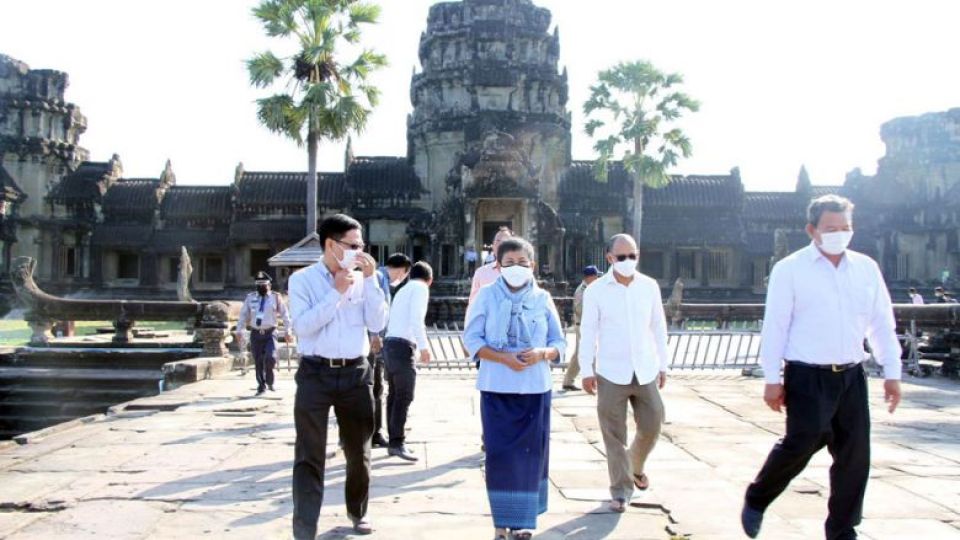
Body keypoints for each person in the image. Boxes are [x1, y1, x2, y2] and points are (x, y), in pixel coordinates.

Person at [741, 195, 903, 540]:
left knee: (854, 456)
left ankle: (843, 530)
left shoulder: (865, 268)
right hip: (807, 374)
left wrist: (892, 372)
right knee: (801, 443)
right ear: (812, 230)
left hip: (851, 374)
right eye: (831, 228)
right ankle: (758, 497)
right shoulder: (791, 269)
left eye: (846, 228)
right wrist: (772, 378)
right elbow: (776, 327)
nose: (839, 234)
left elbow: (880, 323)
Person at [288, 214, 388, 539]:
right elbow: (303, 327)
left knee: (359, 450)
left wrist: (371, 281)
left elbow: (377, 321)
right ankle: (305, 527)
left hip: (355, 372)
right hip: (315, 372)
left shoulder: (363, 280)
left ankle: (358, 511)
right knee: (309, 453)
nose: (361, 252)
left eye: (362, 246)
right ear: (331, 245)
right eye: (354, 245)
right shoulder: (302, 280)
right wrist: (335, 292)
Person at [463, 237, 566, 540]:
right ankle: (501, 523)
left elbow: (560, 343)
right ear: (498, 266)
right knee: (500, 455)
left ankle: (522, 522)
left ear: (533, 265)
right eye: (509, 263)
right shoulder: (485, 296)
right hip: (497, 387)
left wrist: (542, 354)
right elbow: (472, 340)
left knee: (531, 455)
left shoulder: (543, 299)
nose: (517, 268)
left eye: (523, 263)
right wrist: (503, 358)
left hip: (535, 389)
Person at [579, 234, 669, 513]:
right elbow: (588, 332)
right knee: (614, 435)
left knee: (653, 423)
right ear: (609, 258)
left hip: (644, 368)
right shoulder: (596, 291)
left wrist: (663, 364)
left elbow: (658, 326)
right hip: (610, 371)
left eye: (633, 256)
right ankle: (620, 490)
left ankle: (635, 466)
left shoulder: (649, 286)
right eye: (621, 257)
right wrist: (585, 369)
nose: (627, 261)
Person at [383, 261, 434, 462]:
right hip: (402, 346)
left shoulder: (403, 289)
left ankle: (394, 439)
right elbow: (416, 319)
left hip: (390, 344)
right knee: (404, 395)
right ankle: (397, 442)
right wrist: (424, 346)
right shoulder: (421, 288)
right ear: (430, 280)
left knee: (394, 395)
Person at [369, 253, 412, 448]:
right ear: (402, 270)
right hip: (371, 341)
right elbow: (371, 307)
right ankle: (369, 432)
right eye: (404, 275)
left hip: (378, 341)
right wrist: (374, 333)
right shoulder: (378, 278)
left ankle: (375, 432)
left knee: (377, 389)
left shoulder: (383, 280)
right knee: (371, 388)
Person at [236, 271, 291, 395]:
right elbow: (244, 314)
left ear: (269, 285)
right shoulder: (250, 298)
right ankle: (261, 385)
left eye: (264, 285)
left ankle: (270, 380)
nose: (261, 287)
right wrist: (239, 330)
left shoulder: (276, 297)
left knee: (270, 358)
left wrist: (288, 331)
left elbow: (285, 314)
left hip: (270, 332)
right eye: (259, 285)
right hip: (255, 333)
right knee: (258, 360)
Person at [562, 265, 601, 392]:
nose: (597, 278)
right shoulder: (582, 290)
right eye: (595, 276)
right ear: (590, 277)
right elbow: (579, 309)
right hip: (583, 326)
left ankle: (568, 381)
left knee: (580, 354)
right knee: (587, 353)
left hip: (587, 325)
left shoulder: (590, 289)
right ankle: (595, 381)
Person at [468, 227, 513, 309]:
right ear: (493, 246)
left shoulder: (522, 273)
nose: (501, 244)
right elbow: (473, 306)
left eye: (506, 241)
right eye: (498, 241)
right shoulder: (481, 273)